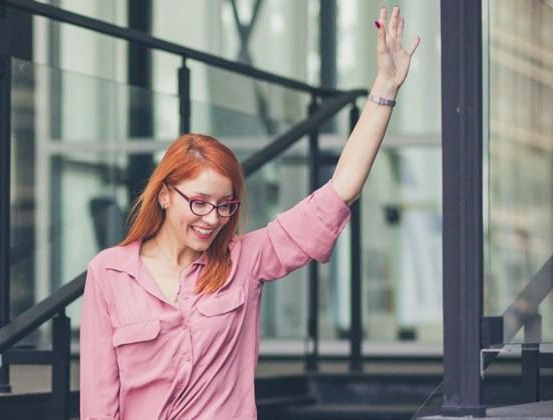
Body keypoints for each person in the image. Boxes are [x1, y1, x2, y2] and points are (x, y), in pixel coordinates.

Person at [80, 6, 420, 420]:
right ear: (165, 195)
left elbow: (340, 191)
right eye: (199, 202)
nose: (213, 218)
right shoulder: (109, 273)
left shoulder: (245, 260)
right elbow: (99, 403)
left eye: (226, 206)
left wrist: (385, 85)